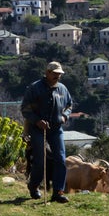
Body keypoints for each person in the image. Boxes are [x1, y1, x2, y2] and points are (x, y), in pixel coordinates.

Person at [21, 61, 74, 203]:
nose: (58, 77)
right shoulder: (34, 88)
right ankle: (34, 186)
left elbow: (69, 105)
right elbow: (25, 109)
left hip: (56, 129)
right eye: (55, 74)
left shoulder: (62, 89)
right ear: (47, 73)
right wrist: (37, 121)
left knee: (61, 159)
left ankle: (58, 191)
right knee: (40, 159)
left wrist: (64, 116)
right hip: (38, 128)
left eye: (59, 74)